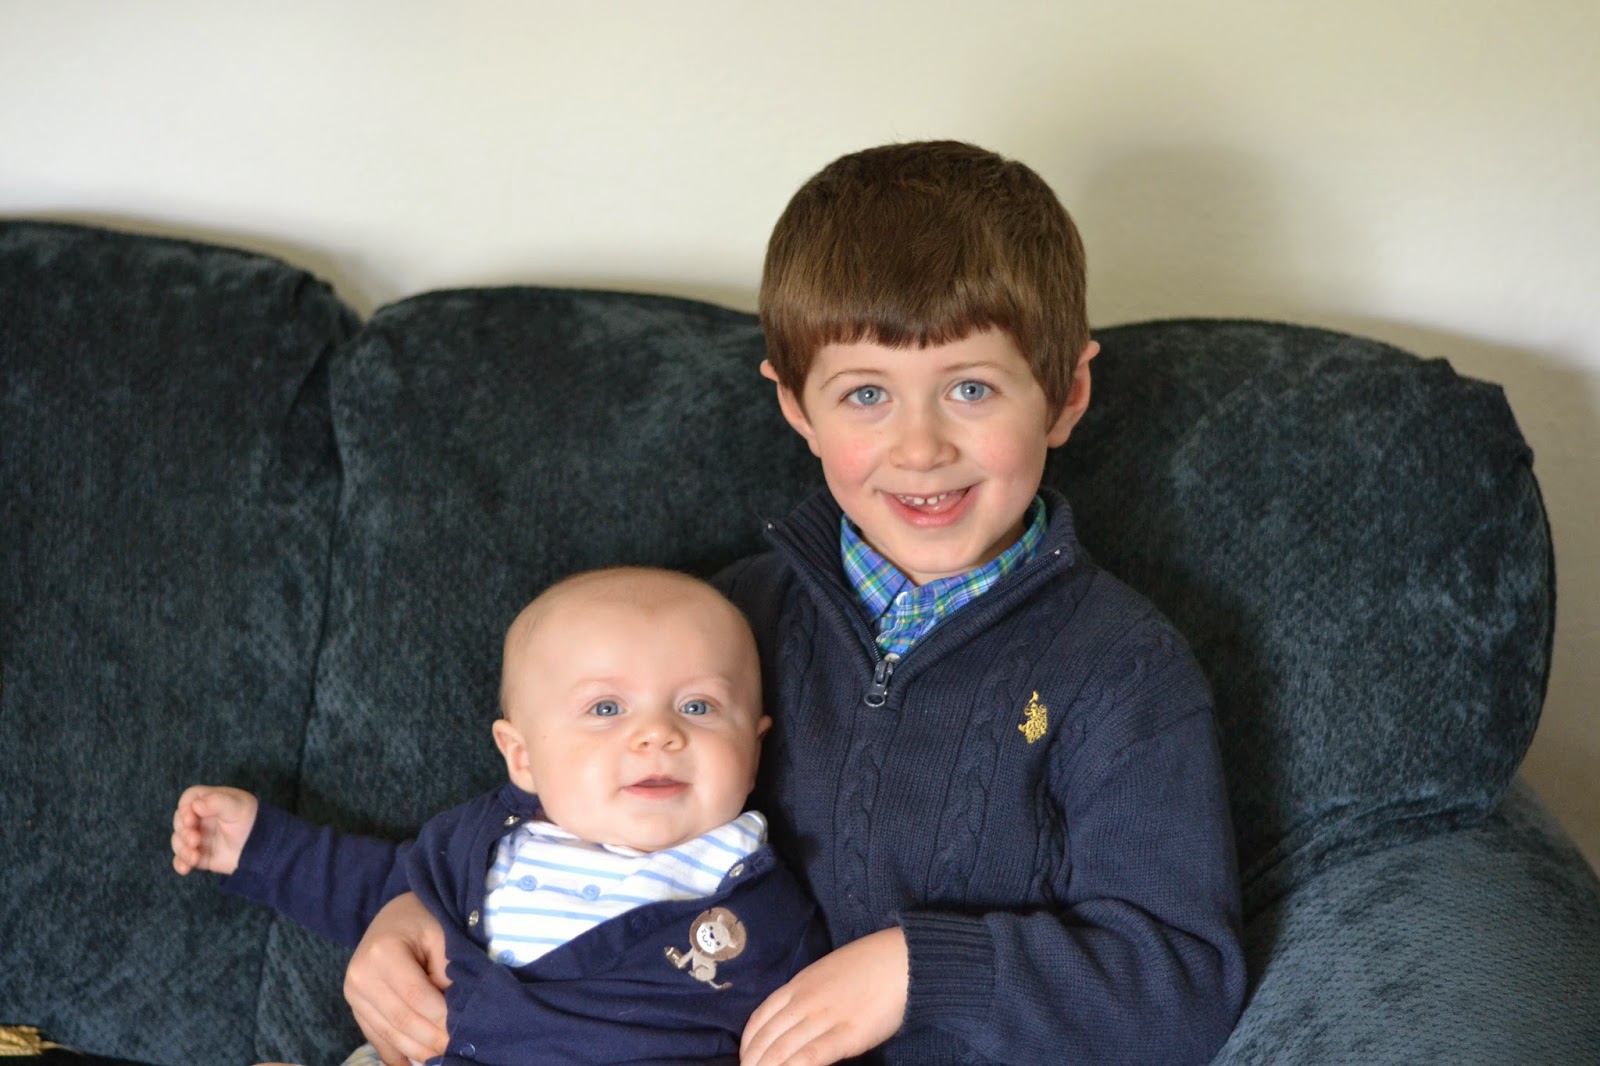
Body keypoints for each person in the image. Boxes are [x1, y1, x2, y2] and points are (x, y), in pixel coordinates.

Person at [343, 141, 1249, 1066]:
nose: (921, 448)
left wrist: (918, 971)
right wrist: (415, 912)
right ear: (797, 408)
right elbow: (567, 786)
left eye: (971, 388)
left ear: (1066, 395)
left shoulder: (1122, 669)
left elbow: (1182, 988)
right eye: (867, 395)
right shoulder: (731, 618)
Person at [172, 567, 827, 1066]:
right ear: (522, 757)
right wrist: (261, 847)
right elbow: (377, 892)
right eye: (606, 709)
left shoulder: (768, 910)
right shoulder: (481, 846)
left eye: (698, 707)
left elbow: (810, 1037)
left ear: (754, 749)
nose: (657, 734)